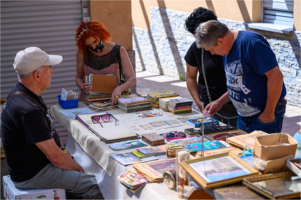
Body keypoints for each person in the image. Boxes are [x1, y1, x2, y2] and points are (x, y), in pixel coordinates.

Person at [1, 47, 104, 199]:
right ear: (37, 75)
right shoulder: (27, 109)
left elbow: (52, 141)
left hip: (35, 166)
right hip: (33, 174)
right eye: (49, 69)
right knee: (99, 185)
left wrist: (69, 159)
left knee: (87, 167)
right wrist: (80, 170)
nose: (52, 73)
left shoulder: (24, 94)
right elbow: (55, 157)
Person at [195, 20, 286, 133]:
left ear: (220, 41)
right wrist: (220, 102)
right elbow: (240, 83)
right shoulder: (227, 49)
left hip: (262, 115)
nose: (212, 53)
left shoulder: (252, 42)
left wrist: (268, 112)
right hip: (243, 117)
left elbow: (276, 77)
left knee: (262, 150)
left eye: (212, 50)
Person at [184, 7, 237, 127]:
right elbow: (190, 76)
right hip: (211, 107)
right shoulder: (196, 48)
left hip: (236, 108)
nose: (199, 41)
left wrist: (220, 101)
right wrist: (199, 103)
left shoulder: (233, 45)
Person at [75, 21, 136, 104]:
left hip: (112, 102)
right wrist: (81, 85)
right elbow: (78, 77)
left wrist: (119, 89)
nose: (93, 47)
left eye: (95, 42)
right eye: (89, 46)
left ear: (101, 34)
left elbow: (132, 79)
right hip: (88, 102)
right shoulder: (82, 52)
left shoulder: (119, 50)